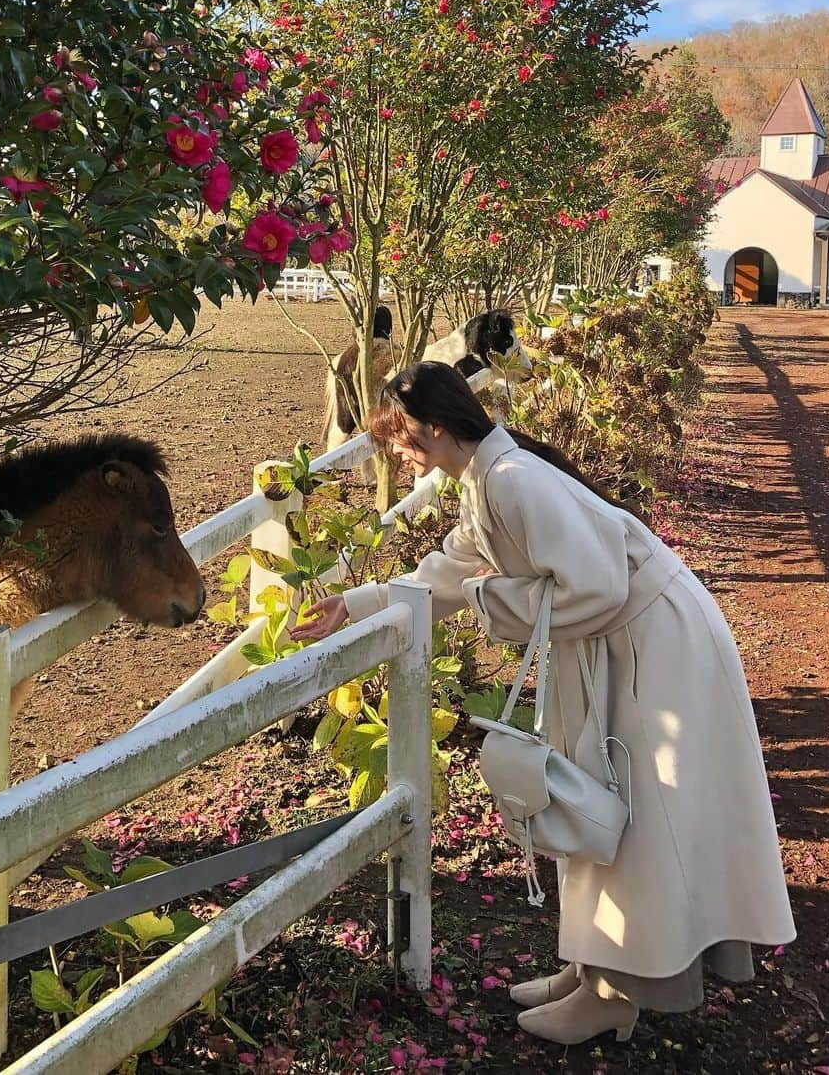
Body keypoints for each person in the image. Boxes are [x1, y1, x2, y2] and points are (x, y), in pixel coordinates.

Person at [292, 361, 795, 1047]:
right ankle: (593, 968)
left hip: (654, 644)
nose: (399, 452)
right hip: (621, 642)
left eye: (402, 437)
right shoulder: (485, 480)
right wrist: (353, 605)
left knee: (634, 811)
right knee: (600, 800)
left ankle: (618, 992)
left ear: (435, 427)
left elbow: (598, 588)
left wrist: (483, 598)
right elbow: (445, 573)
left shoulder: (513, 480)